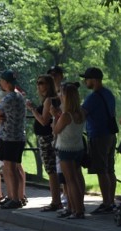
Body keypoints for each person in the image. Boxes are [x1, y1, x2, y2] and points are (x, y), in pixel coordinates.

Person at [80, 67, 118, 214]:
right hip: (110, 134)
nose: (85, 82)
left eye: (87, 79)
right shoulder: (109, 94)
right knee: (110, 169)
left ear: (94, 80)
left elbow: (80, 115)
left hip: (98, 136)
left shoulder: (93, 97)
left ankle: (106, 203)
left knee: (101, 171)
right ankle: (111, 201)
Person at [26, 75, 62, 211]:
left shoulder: (49, 100)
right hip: (50, 137)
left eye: (41, 83)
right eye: (37, 83)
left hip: (47, 138)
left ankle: (56, 201)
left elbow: (44, 121)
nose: (38, 85)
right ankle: (57, 200)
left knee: (51, 170)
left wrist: (32, 109)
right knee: (53, 169)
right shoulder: (54, 98)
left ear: (48, 85)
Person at [0, 70, 27, 209]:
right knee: (15, 168)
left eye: (1, 80)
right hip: (19, 136)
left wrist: (0, 116)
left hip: (9, 137)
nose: (0, 83)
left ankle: (14, 198)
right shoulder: (20, 96)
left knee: (9, 169)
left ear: (6, 82)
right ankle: (17, 196)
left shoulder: (8, 98)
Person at [51, 82, 87, 219]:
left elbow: (55, 130)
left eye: (61, 93)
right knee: (77, 178)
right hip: (78, 148)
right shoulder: (81, 112)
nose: (59, 95)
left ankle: (78, 210)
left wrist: (55, 116)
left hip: (65, 149)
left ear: (66, 96)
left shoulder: (66, 115)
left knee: (70, 181)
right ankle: (76, 207)